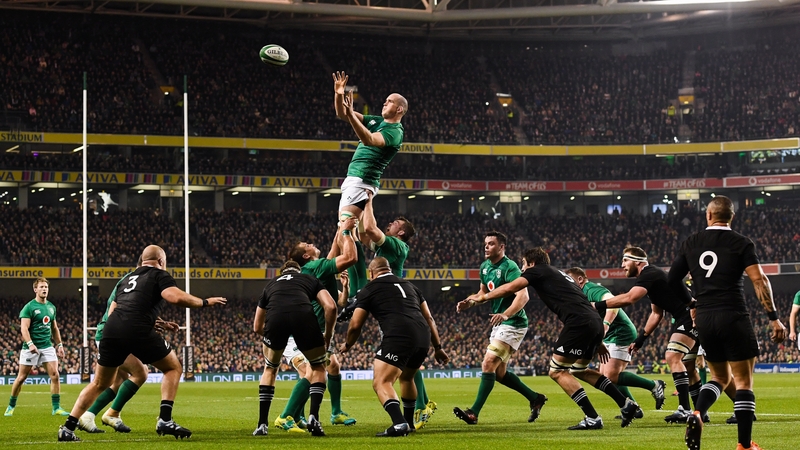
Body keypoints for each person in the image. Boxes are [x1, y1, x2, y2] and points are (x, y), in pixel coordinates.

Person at [57, 245, 227, 442]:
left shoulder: (126, 279)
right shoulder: (159, 275)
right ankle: (165, 419)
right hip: (136, 329)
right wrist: (204, 302)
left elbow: (115, 311)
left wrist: (152, 322)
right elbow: (175, 297)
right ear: (161, 261)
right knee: (173, 368)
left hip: (110, 330)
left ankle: (68, 428)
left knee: (99, 383)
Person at [464, 247, 640, 430]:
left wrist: (482, 298)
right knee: (579, 370)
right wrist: (597, 339)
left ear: (531, 263)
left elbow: (510, 288)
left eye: (524, 264)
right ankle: (625, 404)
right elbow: (582, 303)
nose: (523, 269)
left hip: (578, 323)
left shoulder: (536, 270)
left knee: (556, 371)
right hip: (593, 322)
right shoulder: (560, 274)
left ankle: (593, 417)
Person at [667, 195, 786, 450]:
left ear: (708, 216)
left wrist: (691, 305)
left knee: (719, 377)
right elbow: (759, 280)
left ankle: (697, 414)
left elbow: (671, 280)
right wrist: (774, 318)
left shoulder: (691, 242)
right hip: (733, 314)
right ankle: (744, 444)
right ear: (732, 217)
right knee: (743, 382)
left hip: (705, 319)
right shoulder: (741, 243)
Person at [339, 257, 448, 437]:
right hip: (423, 336)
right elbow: (429, 318)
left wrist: (348, 344)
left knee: (381, 382)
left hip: (399, 335)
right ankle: (409, 423)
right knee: (407, 378)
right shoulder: (410, 286)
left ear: (371, 273)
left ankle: (399, 424)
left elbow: (355, 324)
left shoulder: (370, 289)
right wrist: (438, 347)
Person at [594, 246, 701, 423]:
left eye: (625, 260)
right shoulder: (651, 279)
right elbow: (656, 313)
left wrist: (598, 305)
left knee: (673, 357)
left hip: (690, 316)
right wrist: (642, 338)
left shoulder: (649, 273)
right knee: (688, 366)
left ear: (637, 262)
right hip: (685, 316)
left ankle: (684, 409)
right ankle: (699, 412)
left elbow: (630, 298)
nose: (622, 265)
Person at [356, 191, 436, 429]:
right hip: (395, 304)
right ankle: (419, 407)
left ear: (401, 232)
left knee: (398, 366)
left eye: (395, 224)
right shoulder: (386, 250)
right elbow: (363, 235)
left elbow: (370, 229)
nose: (389, 224)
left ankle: (421, 406)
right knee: (406, 366)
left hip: (394, 306)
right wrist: (357, 215)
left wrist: (367, 199)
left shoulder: (397, 245)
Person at [453, 231, 547, 426]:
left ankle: (473, 412)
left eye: (491, 244)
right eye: (485, 243)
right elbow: (482, 293)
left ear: (502, 247)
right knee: (499, 374)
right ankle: (535, 398)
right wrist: (469, 302)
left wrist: (506, 314)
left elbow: (523, 296)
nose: (486, 247)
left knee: (488, 363)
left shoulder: (510, 267)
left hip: (513, 322)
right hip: (499, 323)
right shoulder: (484, 267)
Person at [279, 218, 358, 430]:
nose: (312, 243)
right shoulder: (315, 268)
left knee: (331, 366)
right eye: (308, 245)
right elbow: (350, 257)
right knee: (312, 372)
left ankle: (331, 413)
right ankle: (287, 415)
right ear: (306, 256)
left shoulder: (317, 269)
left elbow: (339, 301)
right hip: (310, 329)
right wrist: (348, 232)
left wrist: (340, 227)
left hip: (314, 327)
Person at [565, 267, 666, 418]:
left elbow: (613, 304)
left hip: (620, 333)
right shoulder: (580, 294)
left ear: (580, 279)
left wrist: (605, 325)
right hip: (610, 336)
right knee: (605, 375)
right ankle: (634, 408)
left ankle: (654, 385)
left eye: (570, 280)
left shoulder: (591, 289)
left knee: (611, 376)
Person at [252, 261, 337, 437]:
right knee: (318, 368)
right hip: (303, 318)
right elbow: (330, 306)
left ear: (282, 272)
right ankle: (314, 417)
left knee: (270, 369)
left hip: (275, 320)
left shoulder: (271, 284)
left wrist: (272, 339)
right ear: (298, 270)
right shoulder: (309, 279)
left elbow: (257, 326)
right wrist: (327, 335)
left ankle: (262, 425)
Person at [332, 71, 407, 225]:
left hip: (362, 180)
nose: (384, 103)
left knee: (345, 229)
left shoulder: (395, 132)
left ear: (399, 109)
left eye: (390, 101)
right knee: (352, 234)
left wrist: (352, 115)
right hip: (357, 179)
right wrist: (339, 94)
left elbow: (369, 140)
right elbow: (342, 114)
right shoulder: (377, 121)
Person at [5, 277, 70, 417]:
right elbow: (24, 329)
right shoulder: (29, 307)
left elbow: (54, 328)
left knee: (55, 375)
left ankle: (56, 408)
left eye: (46, 287)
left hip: (47, 346)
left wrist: (59, 345)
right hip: (30, 347)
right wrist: (30, 344)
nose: (44, 289)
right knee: (21, 377)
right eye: (41, 287)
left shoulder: (51, 307)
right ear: (35, 289)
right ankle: (10, 406)